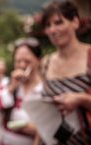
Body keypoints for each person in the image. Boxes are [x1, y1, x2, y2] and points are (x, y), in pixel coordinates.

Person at [40, 0, 91, 144]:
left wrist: (82, 99)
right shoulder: (45, 63)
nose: (52, 30)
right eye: (48, 25)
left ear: (75, 22)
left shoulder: (89, 56)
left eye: (58, 22)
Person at [0, 37, 42, 145]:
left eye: (27, 61)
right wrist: (11, 89)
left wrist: (38, 130)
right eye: (18, 61)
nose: (22, 65)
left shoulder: (45, 90)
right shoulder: (9, 83)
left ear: (39, 60)